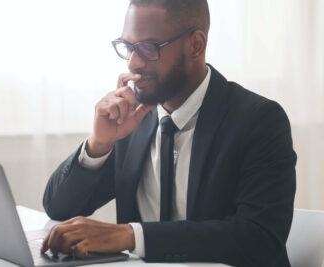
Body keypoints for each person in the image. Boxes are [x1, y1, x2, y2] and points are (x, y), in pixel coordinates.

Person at [41, 0, 297, 266]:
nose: (133, 63)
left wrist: (131, 236)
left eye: (148, 48)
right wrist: (99, 143)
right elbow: (60, 207)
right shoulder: (133, 119)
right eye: (128, 47)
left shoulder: (258, 120)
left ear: (196, 45)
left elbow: (259, 238)